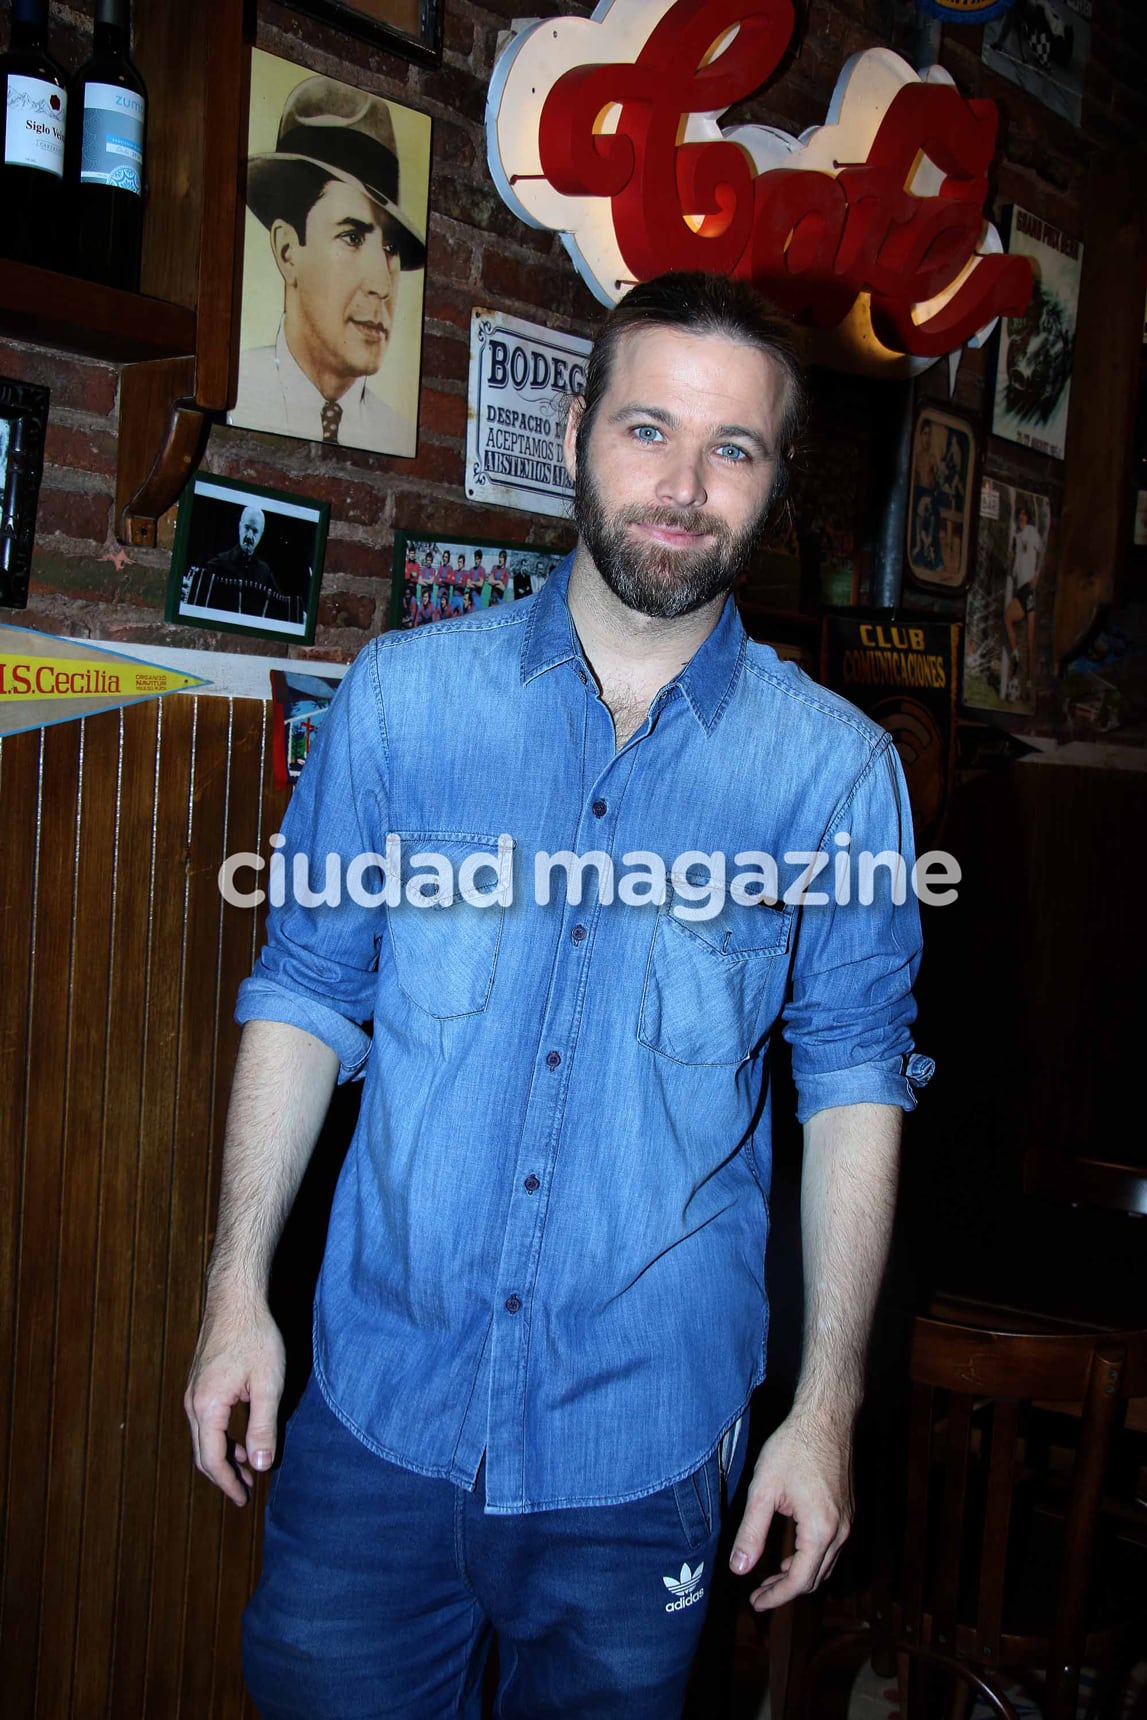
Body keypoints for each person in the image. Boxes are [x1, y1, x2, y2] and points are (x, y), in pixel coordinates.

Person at [186, 271, 931, 1720]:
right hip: (373, 1413)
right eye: (646, 427)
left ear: (777, 481)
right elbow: (305, 990)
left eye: (731, 448)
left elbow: (853, 1085)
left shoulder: (834, 774)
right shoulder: (401, 701)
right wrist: (233, 1296)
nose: (679, 483)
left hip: (643, 1448)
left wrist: (822, 1407)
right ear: (577, 429)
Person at [230, 75, 426, 455]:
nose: (382, 285)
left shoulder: (391, 434)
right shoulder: (235, 397)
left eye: (390, 246)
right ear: (287, 251)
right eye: (352, 238)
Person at [185, 504, 302, 625]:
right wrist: (188, 589)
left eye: (255, 531)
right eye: (247, 528)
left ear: (261, 534)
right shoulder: (218, 563)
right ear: (239, 526)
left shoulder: (264, 572)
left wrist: (296, 613)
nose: (249, 536)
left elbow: (282, 606)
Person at [1002, 499, 1042, 699]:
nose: (1022, 517)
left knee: (1031, 637)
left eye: (1025, 514)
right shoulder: (1016, 537)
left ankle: (1029, 683)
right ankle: (1016, 658)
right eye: (1020, 515)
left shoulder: (1032, 532)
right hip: (1021, 588)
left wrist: (1037, 575)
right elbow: (1014, 564)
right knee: (1009, 619)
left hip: (1029, 587)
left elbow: (1042, 553)